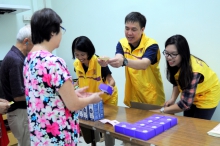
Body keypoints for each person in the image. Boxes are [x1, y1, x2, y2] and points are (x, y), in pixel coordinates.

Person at [24, 8, 102, 145]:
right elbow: (73, 105)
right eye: (60, 29)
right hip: (58, 135)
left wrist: (72, 93)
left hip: (40, 135)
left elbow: (45, 94)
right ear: (52, 32)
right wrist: (91, 99)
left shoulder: (29, 59)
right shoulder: (54, 62)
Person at [99, 12, 165, 107]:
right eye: (127, 28)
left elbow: (144, 64)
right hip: (133, 96)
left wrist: (124, 61)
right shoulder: (122, 43)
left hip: (151, 97)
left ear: (142, 29)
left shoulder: (151, 45)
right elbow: (119, 58)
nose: (129, 33)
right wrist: (107, 61)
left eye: (134, 29)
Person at [152, 34, 220, 120]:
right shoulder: (176, 62)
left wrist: (161, 110)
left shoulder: (193, 71)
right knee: (188, 122)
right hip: (191, 94)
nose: (168, 58)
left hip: (207, 94)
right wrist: (172, 99)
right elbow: (177, 81)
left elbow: (185, 104)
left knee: (199, 126)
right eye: (166, 53)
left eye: (173, 54)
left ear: (183, 53)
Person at [72, 36, 118, 145]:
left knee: (108, 129)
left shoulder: (100, 63)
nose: (80, 58)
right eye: (77, 54)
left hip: (106, 98)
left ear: (89, 52)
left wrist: (109, 88)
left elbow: (111, 80)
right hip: (91, 100)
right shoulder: (76, 65)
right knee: (90, 125)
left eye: (82, 54)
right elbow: (80, 79)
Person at [0, 24, 33, 146]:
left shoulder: (15, 56)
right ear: (26, 41)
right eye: (35, 43)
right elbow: (18, 95)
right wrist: (39, 92)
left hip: (20, 114)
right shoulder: (15, 60)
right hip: (19, 113)